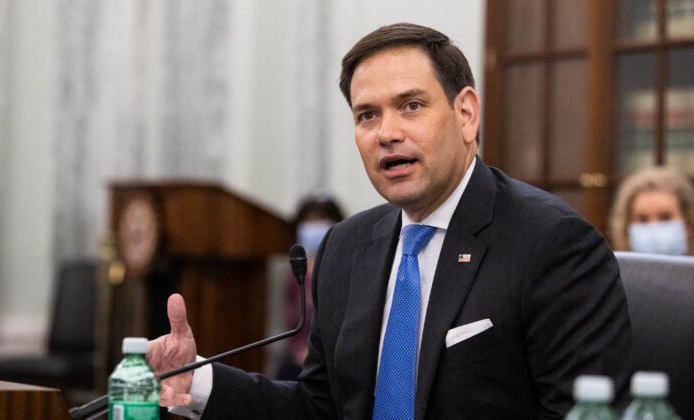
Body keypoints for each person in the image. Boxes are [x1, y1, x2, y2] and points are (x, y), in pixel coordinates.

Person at [147, 23, 632, 419]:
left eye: (411, 106)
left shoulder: (552, 244)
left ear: (466, 115)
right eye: (366, 116)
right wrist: (198, 378)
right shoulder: (346, 246)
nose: (387, 133)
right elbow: (321, 408)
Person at [276, 194, 344, 380]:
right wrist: (299, 351)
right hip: (296, 360)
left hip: (334, 360)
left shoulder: (347, 267)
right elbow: (287, 322)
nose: (314, 227)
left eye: (321, 220)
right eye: (309, 221)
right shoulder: (293, 272)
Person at [609, 166, 694, 256]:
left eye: (665, 218)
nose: (654, 227)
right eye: (643, 220)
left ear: (689, 224)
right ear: (626, 228)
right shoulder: (615, 269)